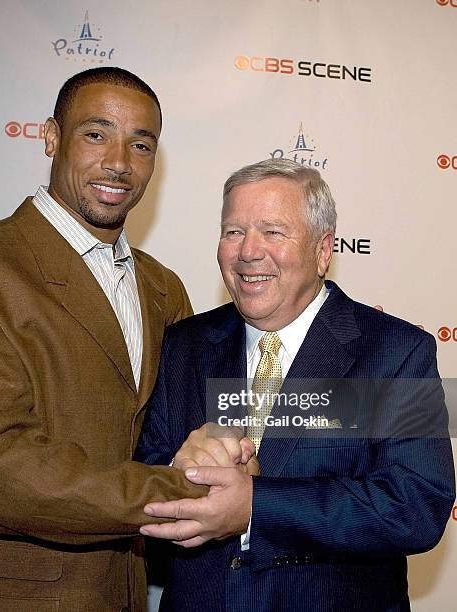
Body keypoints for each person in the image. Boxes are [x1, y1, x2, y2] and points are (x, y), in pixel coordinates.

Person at [0, 67, 240, 612]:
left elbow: (183, 427)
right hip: (2, 596)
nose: (119, 162)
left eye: (141, 144)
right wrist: (190, 494)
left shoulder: (161, 287)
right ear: (51, 137)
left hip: (127, 589)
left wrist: (232, 455)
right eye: (96, 134)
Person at [135, 158, 455, 611]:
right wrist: (177, 472)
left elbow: (417, 505)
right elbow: (145, 477)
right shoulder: (186, 343)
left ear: (323, 251)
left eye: (273, 232)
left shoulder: (396, 352)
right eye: (233, 231)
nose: (248, 251)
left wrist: (256, 507)